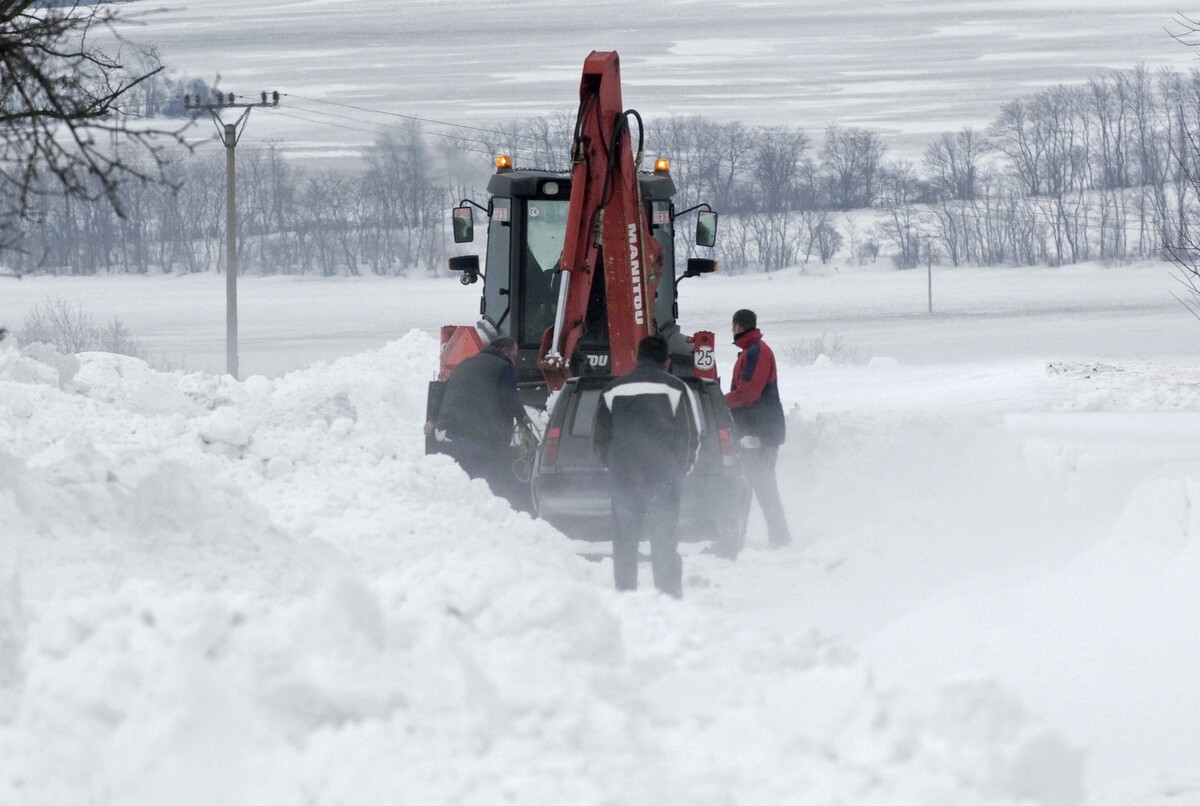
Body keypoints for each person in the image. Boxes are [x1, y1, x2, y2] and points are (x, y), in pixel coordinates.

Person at [592, 335, 700, 597]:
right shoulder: (676, 389)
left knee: (625, 539)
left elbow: (598, 438)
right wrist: (679, 469)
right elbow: (690, 435)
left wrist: (615, 464)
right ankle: (668, 594)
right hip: (664, 477)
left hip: (624, 478)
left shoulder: (612, 390)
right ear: (667, 361)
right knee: (664, 537)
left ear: (636, 357)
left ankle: (626, 594)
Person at [432, 335, 530, 509]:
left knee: (465, 477)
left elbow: (440, 391)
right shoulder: (504, 367)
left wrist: (432, 420)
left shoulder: (467, 363)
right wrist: (523, 418)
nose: (514, 361)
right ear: (505, 351)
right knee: (486, 480)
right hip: (481, 433)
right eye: (514, 356)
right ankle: (487, 512)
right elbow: (509, 397)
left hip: (452, 432)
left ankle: (460, 510)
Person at [725, 309, 791, 549]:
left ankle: (778, 538)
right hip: (758, 431)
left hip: (761, 432)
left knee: (761, 486)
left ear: (739, 326)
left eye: (733, 326)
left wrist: (722, 403)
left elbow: (749, 392)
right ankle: (773, 537)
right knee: (756, 485)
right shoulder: (750, 351)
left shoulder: (757, 352)